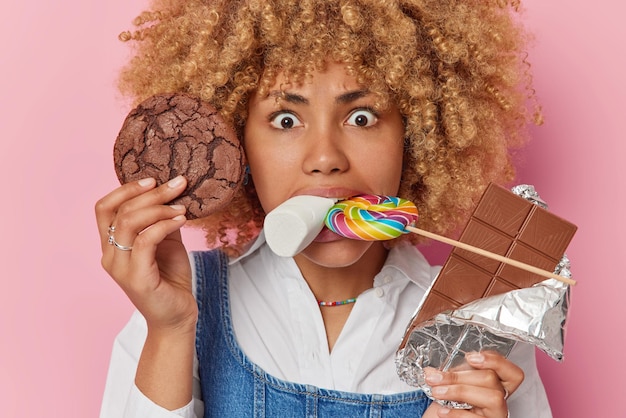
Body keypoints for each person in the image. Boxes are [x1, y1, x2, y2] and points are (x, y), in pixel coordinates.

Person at [97, 1, 552, 417]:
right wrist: (171, 329)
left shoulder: (482, 325)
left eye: (361, 117)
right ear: (239, 147)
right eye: (286, 120)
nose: (325, 157)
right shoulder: (178, 303)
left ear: (412, 137)